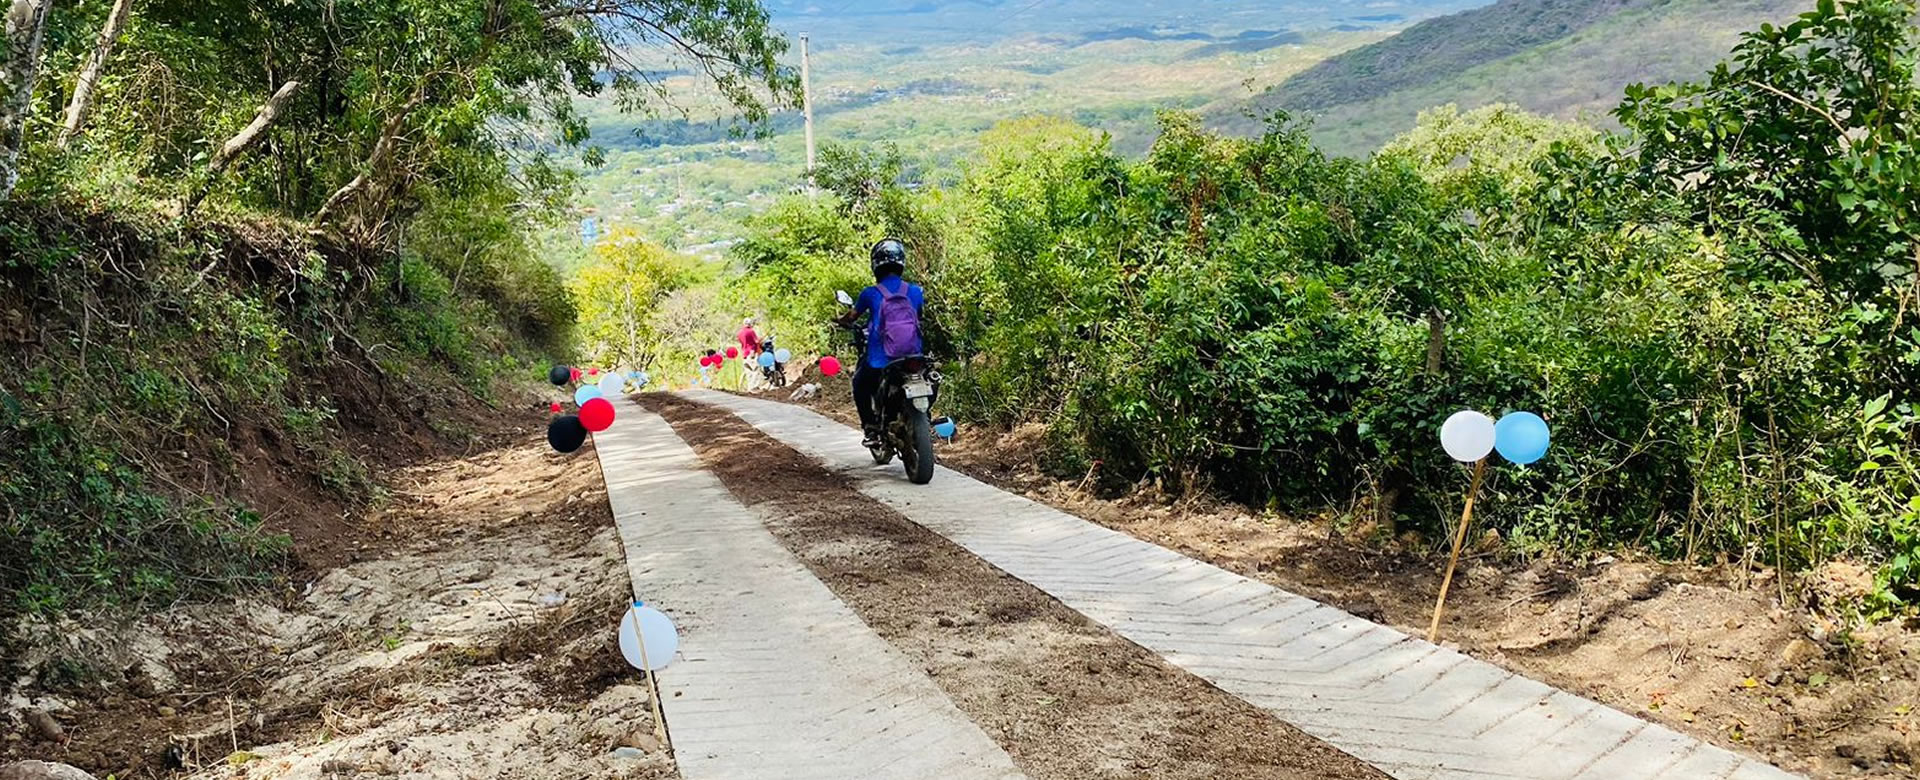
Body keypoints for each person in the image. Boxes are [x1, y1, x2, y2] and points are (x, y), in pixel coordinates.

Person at [839, 238, 924, 448]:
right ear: (901, 263)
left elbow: (852, 317)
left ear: (876, 264)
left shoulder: (870, 293)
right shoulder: (915, 291)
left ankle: (870, 428)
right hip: (913, 354)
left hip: (881, 357)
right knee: (929, 378)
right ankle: (924, 416)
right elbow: (919, 318)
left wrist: (841, 321)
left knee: (859, 384)